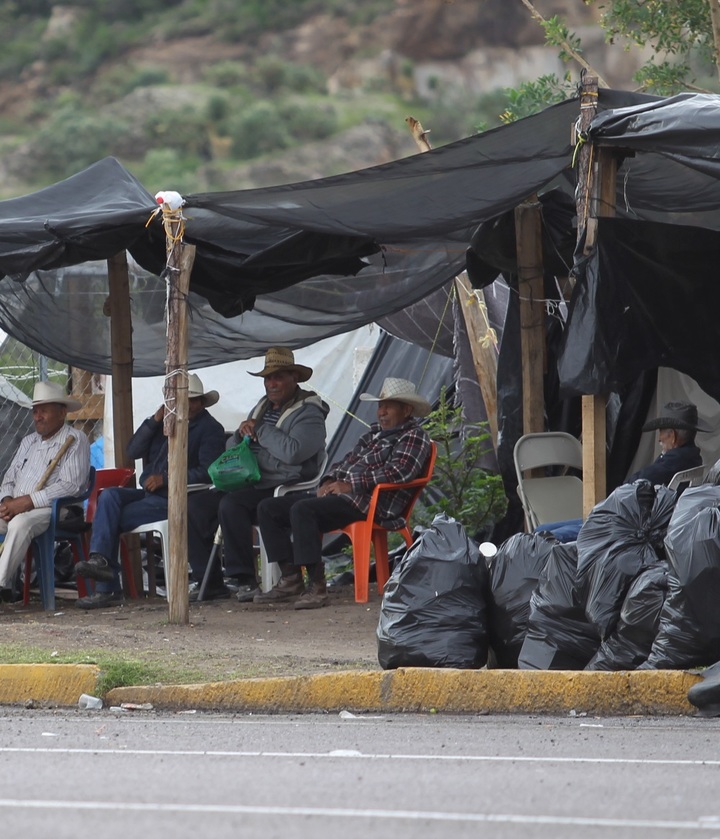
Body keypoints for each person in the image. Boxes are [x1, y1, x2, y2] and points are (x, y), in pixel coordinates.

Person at [255, 377, 432, 610]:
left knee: (303, 510)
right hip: (344, 497)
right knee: (268, 508)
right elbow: (345, 461)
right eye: (380, 406)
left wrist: (350, 485)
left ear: (406, 410)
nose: (381, 412)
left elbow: (399, 472)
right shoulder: (373, 434)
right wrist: (329, 481)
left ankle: (317, 587)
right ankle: (291, 578)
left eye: (388, 407)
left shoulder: (413, 436)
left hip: (371, 503)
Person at [186, 347, 329, 602]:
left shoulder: (309, 412)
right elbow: (234, 449)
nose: (271, 384)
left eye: (278, 377)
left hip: (283, 483)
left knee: (232, 504)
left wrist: (260, 430)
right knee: (195, 506)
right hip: (251, 478)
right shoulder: (262, 406)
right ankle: (211, 583)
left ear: (294, 377)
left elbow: (293, 453)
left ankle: (244, 579)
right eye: (267, 378)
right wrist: (240, 434)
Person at [74, 373, 226, 609]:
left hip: (177, 496)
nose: (185, 405)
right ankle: (100, 560)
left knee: (110, 519)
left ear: (201, 403)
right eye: (179, 400)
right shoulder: (165, 421)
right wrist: (154, 420)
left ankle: (106, 587)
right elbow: (133, 450)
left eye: (191, 400)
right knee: (110, 495)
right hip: (149, 494)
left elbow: (208, 472)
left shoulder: (210, 429)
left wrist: (166, 479)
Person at [539, 400, 710, 543]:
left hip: (626, 525)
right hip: (639, 521)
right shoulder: (693, 458)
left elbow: (632, 485)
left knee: (543, 533)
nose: (659, 438)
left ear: (672, 436)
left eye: (661, 433)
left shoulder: (673, 462)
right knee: (547, 528)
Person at [0, 381, 90, 602]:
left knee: (20, 523)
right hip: (18, 507)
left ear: (62, 412)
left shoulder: (76, 439)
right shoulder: (28, 441)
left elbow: (71, 485)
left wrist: (29, 501)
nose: (37, 417)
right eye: (35, 411)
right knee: (15, 519)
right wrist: (8, 501)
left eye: (44, 411)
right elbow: (9, 478)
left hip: (53, 510)